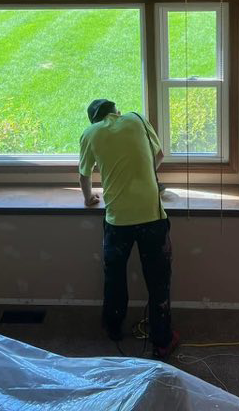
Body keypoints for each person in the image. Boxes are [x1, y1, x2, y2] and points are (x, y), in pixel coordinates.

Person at [79, 98, 179, 359]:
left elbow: (84, 174)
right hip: (152, 217)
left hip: (117, 221)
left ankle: (113, 328)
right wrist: (143, 174)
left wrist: (88, 198)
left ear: (95, 120)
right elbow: (159, 155)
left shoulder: (90, 133)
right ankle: (162, 341)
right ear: (117, 112)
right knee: (158, 282)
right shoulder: (136, 119)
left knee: (114, 277)